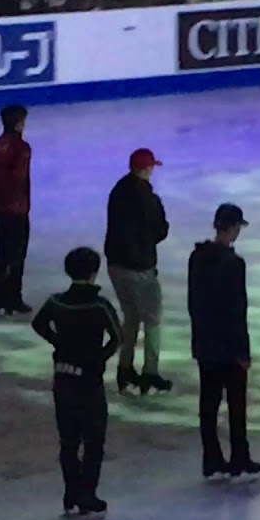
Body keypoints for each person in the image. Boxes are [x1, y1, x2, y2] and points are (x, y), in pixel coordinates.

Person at [30, 247, 122, 516]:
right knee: (94, 439)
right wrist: (100, 357)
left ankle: (71, 491)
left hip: (64, 376)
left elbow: (38, 324)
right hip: (89, 380)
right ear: (94, 272)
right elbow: (118, 336)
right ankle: (88, 492)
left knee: (68, 439)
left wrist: (59, 342)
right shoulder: (99, 305)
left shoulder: (58, 302)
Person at [187, 204, 260, 480]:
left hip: (206, 342)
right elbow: (236, 310)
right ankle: (239, 455)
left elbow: (194, 302)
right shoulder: (233, 264)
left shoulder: (197, 258)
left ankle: (212, 457)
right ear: (233, 228)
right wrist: (242, 350)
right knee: (236, 403)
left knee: (208, 402)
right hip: (228, 345)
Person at [104, 148, 170, 395]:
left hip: (116, 265)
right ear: (146, 169)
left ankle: (125, 368)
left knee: (131, 316)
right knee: (152, 319)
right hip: (140, 266)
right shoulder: (147, 197)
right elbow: (160, 230)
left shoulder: (118, 190)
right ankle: (150, 373)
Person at [0, 105, 32, 315]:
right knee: (17, 254)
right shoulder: (21, 148)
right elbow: (19, 179)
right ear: (19, 123)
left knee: (3, 253)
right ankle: (13, 298)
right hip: (16, 209)